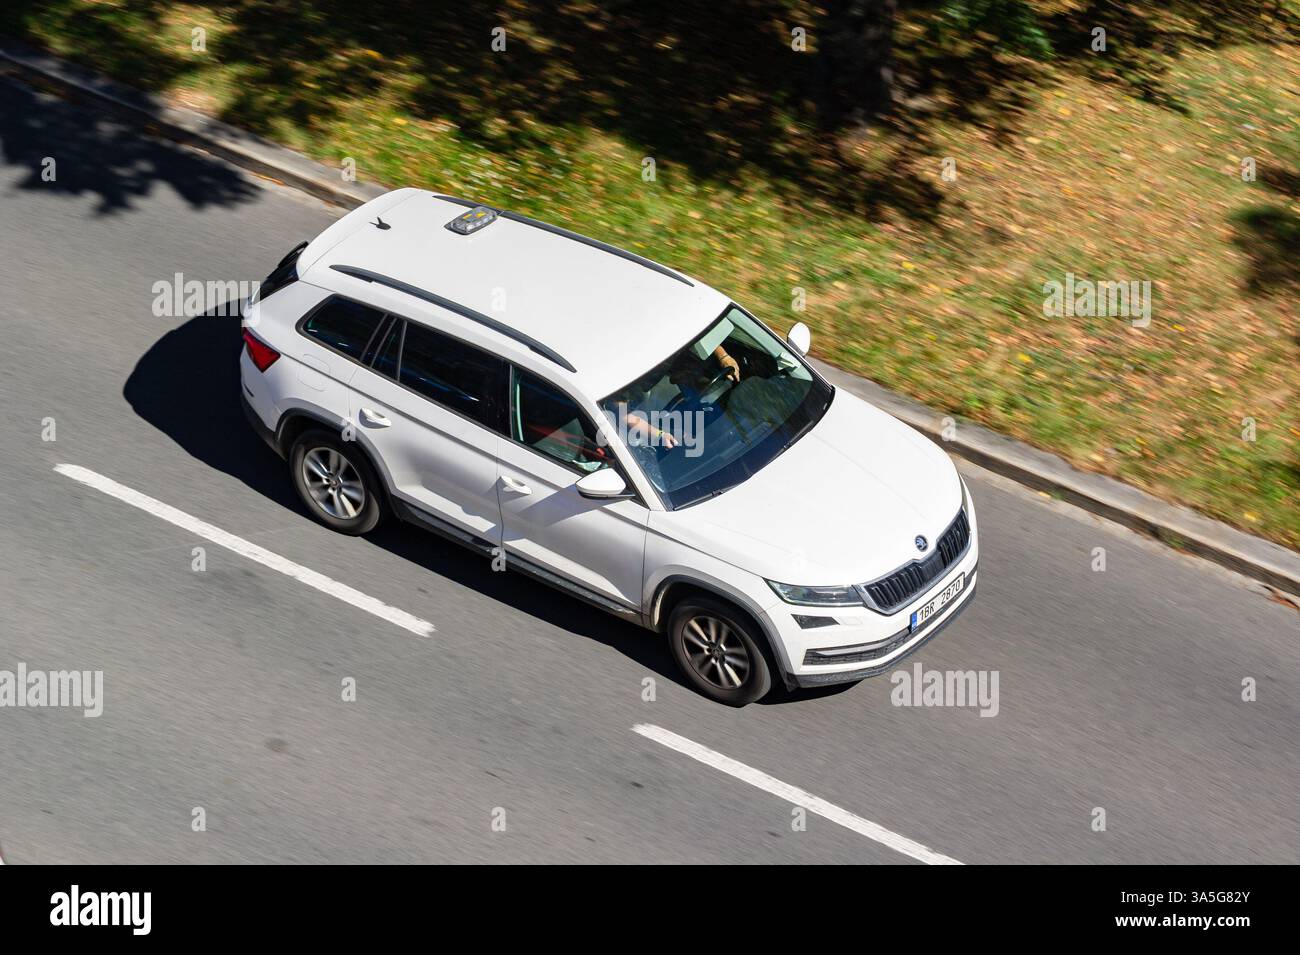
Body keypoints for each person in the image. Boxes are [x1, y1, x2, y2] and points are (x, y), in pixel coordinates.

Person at [624, 345, 739, 449]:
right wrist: (659, 434)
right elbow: (624, 415)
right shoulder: (632, 375)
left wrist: (723, 357)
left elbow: (703, 330)